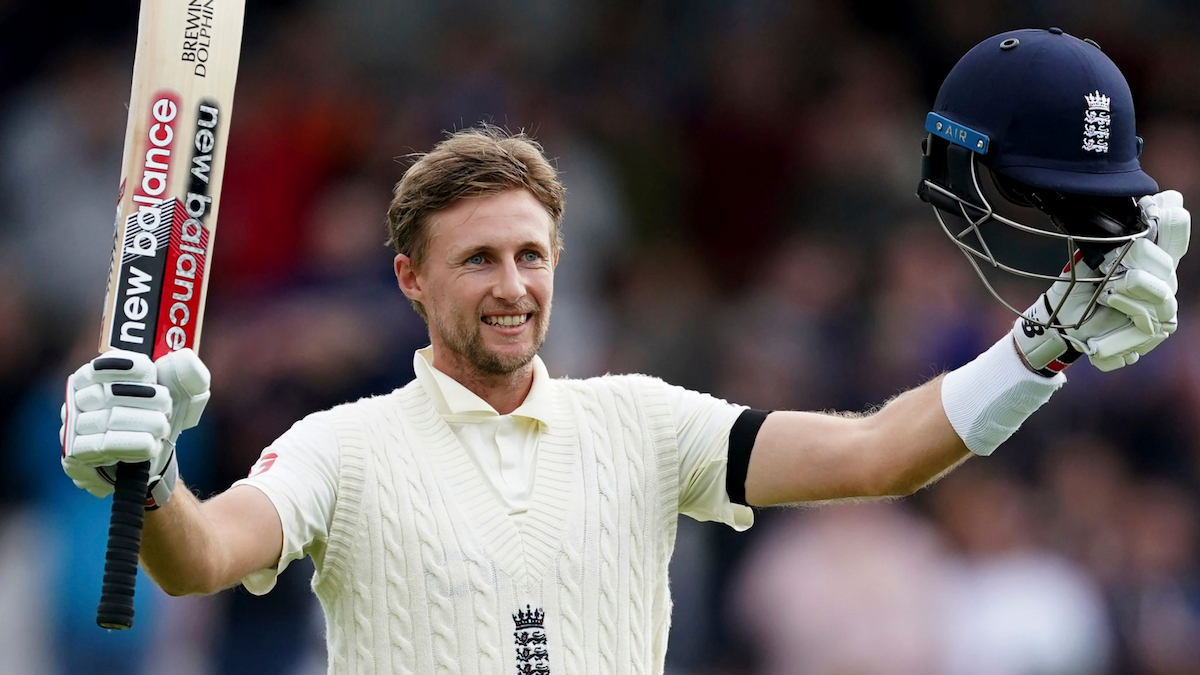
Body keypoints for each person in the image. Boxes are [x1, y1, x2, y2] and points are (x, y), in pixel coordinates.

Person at [60, 28, 1188, 674]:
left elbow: (879, 455)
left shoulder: (645, 423)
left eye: (532, 256)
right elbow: (197, 557)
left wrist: (1044, 342)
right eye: (478, 261)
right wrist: (153, 472)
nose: (513, 288)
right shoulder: (341, 447)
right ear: (408, 279)